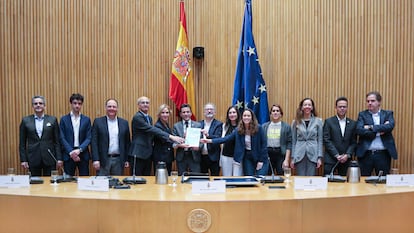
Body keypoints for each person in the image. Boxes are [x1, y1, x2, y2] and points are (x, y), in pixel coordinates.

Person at [202, 109, 268, 176]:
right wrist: (209, 140)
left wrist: (261, 160)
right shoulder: (239, 129)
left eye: (248, 116)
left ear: (252, 117)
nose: (246, 117)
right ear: (242, 117)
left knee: (260, 178)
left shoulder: (259, 128)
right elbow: (226, 139)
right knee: (249, 178)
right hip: (247, 157)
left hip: (260, 157)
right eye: (244, 116)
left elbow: (264, 145)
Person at [129, 97, 184, 176]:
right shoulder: (137, 117)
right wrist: (171, 137)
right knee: (137, 179)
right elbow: (151, 129)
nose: (145, 104)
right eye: (143, 103)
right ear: (138, 105)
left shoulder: (149, 118)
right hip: (138, 153)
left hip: (147, 154)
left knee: (147, 179)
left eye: (147, 103)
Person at [356, 91, 397, 175]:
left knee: (383, 181)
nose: (369, 103)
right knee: (364, 181)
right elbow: (359, 130)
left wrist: (370, 127)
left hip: (383, 154)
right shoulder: (362, 115)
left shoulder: (388, 114)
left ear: (379, 102)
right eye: (368, 101)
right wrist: (380, 130)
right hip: (366, 154)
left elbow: (390, 126)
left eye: (372, 101)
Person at [19, 95, 62, 176]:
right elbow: (22, 143)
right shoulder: (25, 121)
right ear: (33, 106)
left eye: (40, 103)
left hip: (50, 158)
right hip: (33, 158)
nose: (38, 105)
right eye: (35, 104)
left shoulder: (52, 120)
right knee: (34, 185)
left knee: (50, 184)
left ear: (44, 106)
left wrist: (59, 158)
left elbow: (57, 142)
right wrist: (23, 160)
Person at [91, 98, 130, 176]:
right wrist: (95, 159)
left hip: (119, 160)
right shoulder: (98, 122)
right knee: (101, 185)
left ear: (117, 108)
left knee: (117, 185)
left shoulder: (124, 123)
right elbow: (94, 142)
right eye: (109, 106)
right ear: (105, 108)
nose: (111, 108)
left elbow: (127, 143)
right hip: (103, 160)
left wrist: (127, 159)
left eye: (114, 107)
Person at [323, 97, 357, 176]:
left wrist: (347, 155)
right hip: (331, 159)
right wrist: (336, 155)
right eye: (340, 107)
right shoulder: (329, 121)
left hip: (346, 160)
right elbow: (326, 140)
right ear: (336, 108)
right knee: (328, 184)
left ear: (347, 108)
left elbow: (354, 142)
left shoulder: (352, 123)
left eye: (344, 107)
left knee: (346, 185)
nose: (342, 109)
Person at [59, 93, 92, 176]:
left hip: (83, 154)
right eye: (75, 103)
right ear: (71, 104)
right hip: (68, 154)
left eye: (79, 104)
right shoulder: (64, 119)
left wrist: (79, 150)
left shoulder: (86, 120)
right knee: (68, 181)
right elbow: (62, 137)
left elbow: (88, 137)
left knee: (84, 180)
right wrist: (71, 152)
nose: (77, 106)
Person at [291, 98, 323, 176]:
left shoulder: (318, 121)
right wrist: (293, 157)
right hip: (299, 154)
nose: (307, 107)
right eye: (305, 105)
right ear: (302, 107)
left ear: (312, 107)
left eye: (309, 105)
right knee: (300, 181)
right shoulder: (295, 122)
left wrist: (319, 157)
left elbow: (320, 140)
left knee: (310, 181)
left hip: (313, 154)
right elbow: (293, 141)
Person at [262, 104, 292, 175]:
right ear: (271, 114)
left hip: (280, 154)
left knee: (281, 176)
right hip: (268, 154)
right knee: (267, 176)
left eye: (277, 111)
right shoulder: (264, 126)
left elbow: (289, 144)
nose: (275, 112)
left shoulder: (286, 127)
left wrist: (287, 160)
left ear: (281, 114)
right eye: (273, 111)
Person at [173, 103, 202, 175]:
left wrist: (198, 147)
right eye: (184, 112)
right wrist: (180, 144)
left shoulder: (198, 125)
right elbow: (173, 143)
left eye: (188, 112)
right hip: (181, 156)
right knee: (181, 178)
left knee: (196, 178)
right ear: (180, 114)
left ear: (191, 113)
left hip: (194, 156)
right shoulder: (176, 126)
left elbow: (201, 141)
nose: (186, 114)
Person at [199, 103, 223, 176]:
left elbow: (218, 138)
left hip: (214, 156)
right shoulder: (198, 124)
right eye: (207, 109)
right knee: (202, 179)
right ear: (204, 112)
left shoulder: (219, 124)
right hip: (201, 157)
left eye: (211, 109)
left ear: (215, 112)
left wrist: (208, 135)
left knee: (215, 179)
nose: (209, 111)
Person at [152, 104, 175, 175]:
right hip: (160, 158)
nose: (165, 115)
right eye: (163, 113)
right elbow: (166, 139)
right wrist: (178, 142)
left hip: (167, 157)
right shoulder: (157, 126)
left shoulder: (166, 125)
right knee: (161, 180)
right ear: (159, 114)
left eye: (167, 113)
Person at [220, 106, 241, 176]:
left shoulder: (242, 126)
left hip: (238, 158)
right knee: (227, 178)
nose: (232, 114)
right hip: (226, 156)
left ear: (237, 114)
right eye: (230, 113)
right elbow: (221, 139)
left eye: (234, 112)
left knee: (238, 179)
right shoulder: (224, 126)